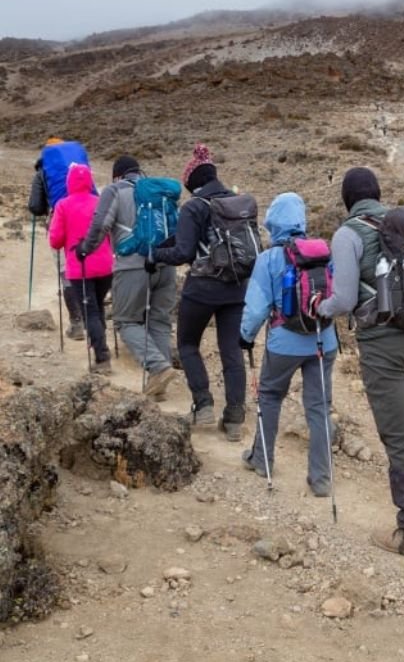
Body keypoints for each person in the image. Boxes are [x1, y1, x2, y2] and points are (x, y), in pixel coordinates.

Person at [315, 167, 404, 559]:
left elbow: (346, 299)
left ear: (348, 200)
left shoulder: (349, 234)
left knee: (396, 434)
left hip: (382, 344)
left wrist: (322, 306)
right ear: (379, 194)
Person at [239, 192, 338, 495]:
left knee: (269, 396)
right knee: (319, 407)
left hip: (284, 343)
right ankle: (321, 479)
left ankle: (261, 459)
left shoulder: (269, 258)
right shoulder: (324, 253)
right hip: (325, 340)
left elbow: (256, 308)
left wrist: (245, 336)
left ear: (273, 223)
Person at [152, 143, 247, 439]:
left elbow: (183, 251)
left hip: (203, 287)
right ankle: (234, 419)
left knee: (189, 343)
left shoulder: (194, 206)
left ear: (193, 183)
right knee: (231, 351)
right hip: (236, 287)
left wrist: (154, 256)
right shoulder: (237, 203)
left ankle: (203, 404)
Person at [77, 155, 178, 397]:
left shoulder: (114, 190)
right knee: (159, 321)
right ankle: (158, 386)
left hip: (133, 265)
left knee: (126, 321)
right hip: (166, 264)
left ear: (117, 175)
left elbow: (101, 225)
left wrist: (84, 249)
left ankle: (159, 367)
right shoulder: (158, 192)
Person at [48, 162, 114, 372]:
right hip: (105, 266)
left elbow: (55, 241)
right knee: (97, 306)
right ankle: (100, 343)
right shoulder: (100, 202)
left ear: (69, 182)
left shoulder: (63, 205)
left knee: (90, 311)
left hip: (80, 268)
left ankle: (102, 358)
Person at [29, 137, 84, 340]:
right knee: (84, 267)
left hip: (60, 221)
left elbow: (35, 206)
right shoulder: (79, 166)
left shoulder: (43, 171)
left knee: (65, 271)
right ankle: (91, 317)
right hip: (85, 219)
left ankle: (77, 323)